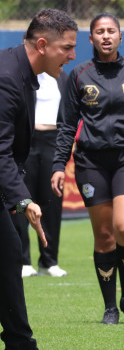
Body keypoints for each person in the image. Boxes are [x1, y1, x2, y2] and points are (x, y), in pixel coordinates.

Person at [51, 13, 124, 325]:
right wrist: (59, 165)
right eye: (99, 32)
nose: (105, 36)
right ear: (90, 39)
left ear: (120, 36)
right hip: (90, 163)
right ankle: (110, 307)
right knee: (103, 236)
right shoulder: (78, 75)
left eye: (110, 31)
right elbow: (66, 126)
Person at [0, 8, 75, 350]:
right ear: (42, 45)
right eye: (67, 47)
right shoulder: (7, 78)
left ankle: (19, 349)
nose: (73, 55)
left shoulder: (25, 74)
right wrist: (24, 197)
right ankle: (20, 347)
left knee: (9, 253)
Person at [12, 71, 69, 278]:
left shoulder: (62, 76)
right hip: (27, 139)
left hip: (53, 140)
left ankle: (49, 261)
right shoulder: (24, 75)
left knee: (51, 200)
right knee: (21, 198)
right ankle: (23, 260)